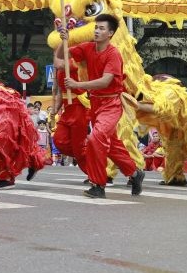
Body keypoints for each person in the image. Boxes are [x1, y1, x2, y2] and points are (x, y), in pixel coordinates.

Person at [55, 13, 145, 199]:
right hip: (95, 103)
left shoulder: (113, 54)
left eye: (101, 28)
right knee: (112, 146)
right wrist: (64, 41)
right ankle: (135, 173)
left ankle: (98, 185)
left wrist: (78, 84)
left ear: (110, 33)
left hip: (111, 104)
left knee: (96, 138)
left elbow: (105, 81)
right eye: (96, 27)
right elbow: (60, 58)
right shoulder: (88, 48)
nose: (96, 31)